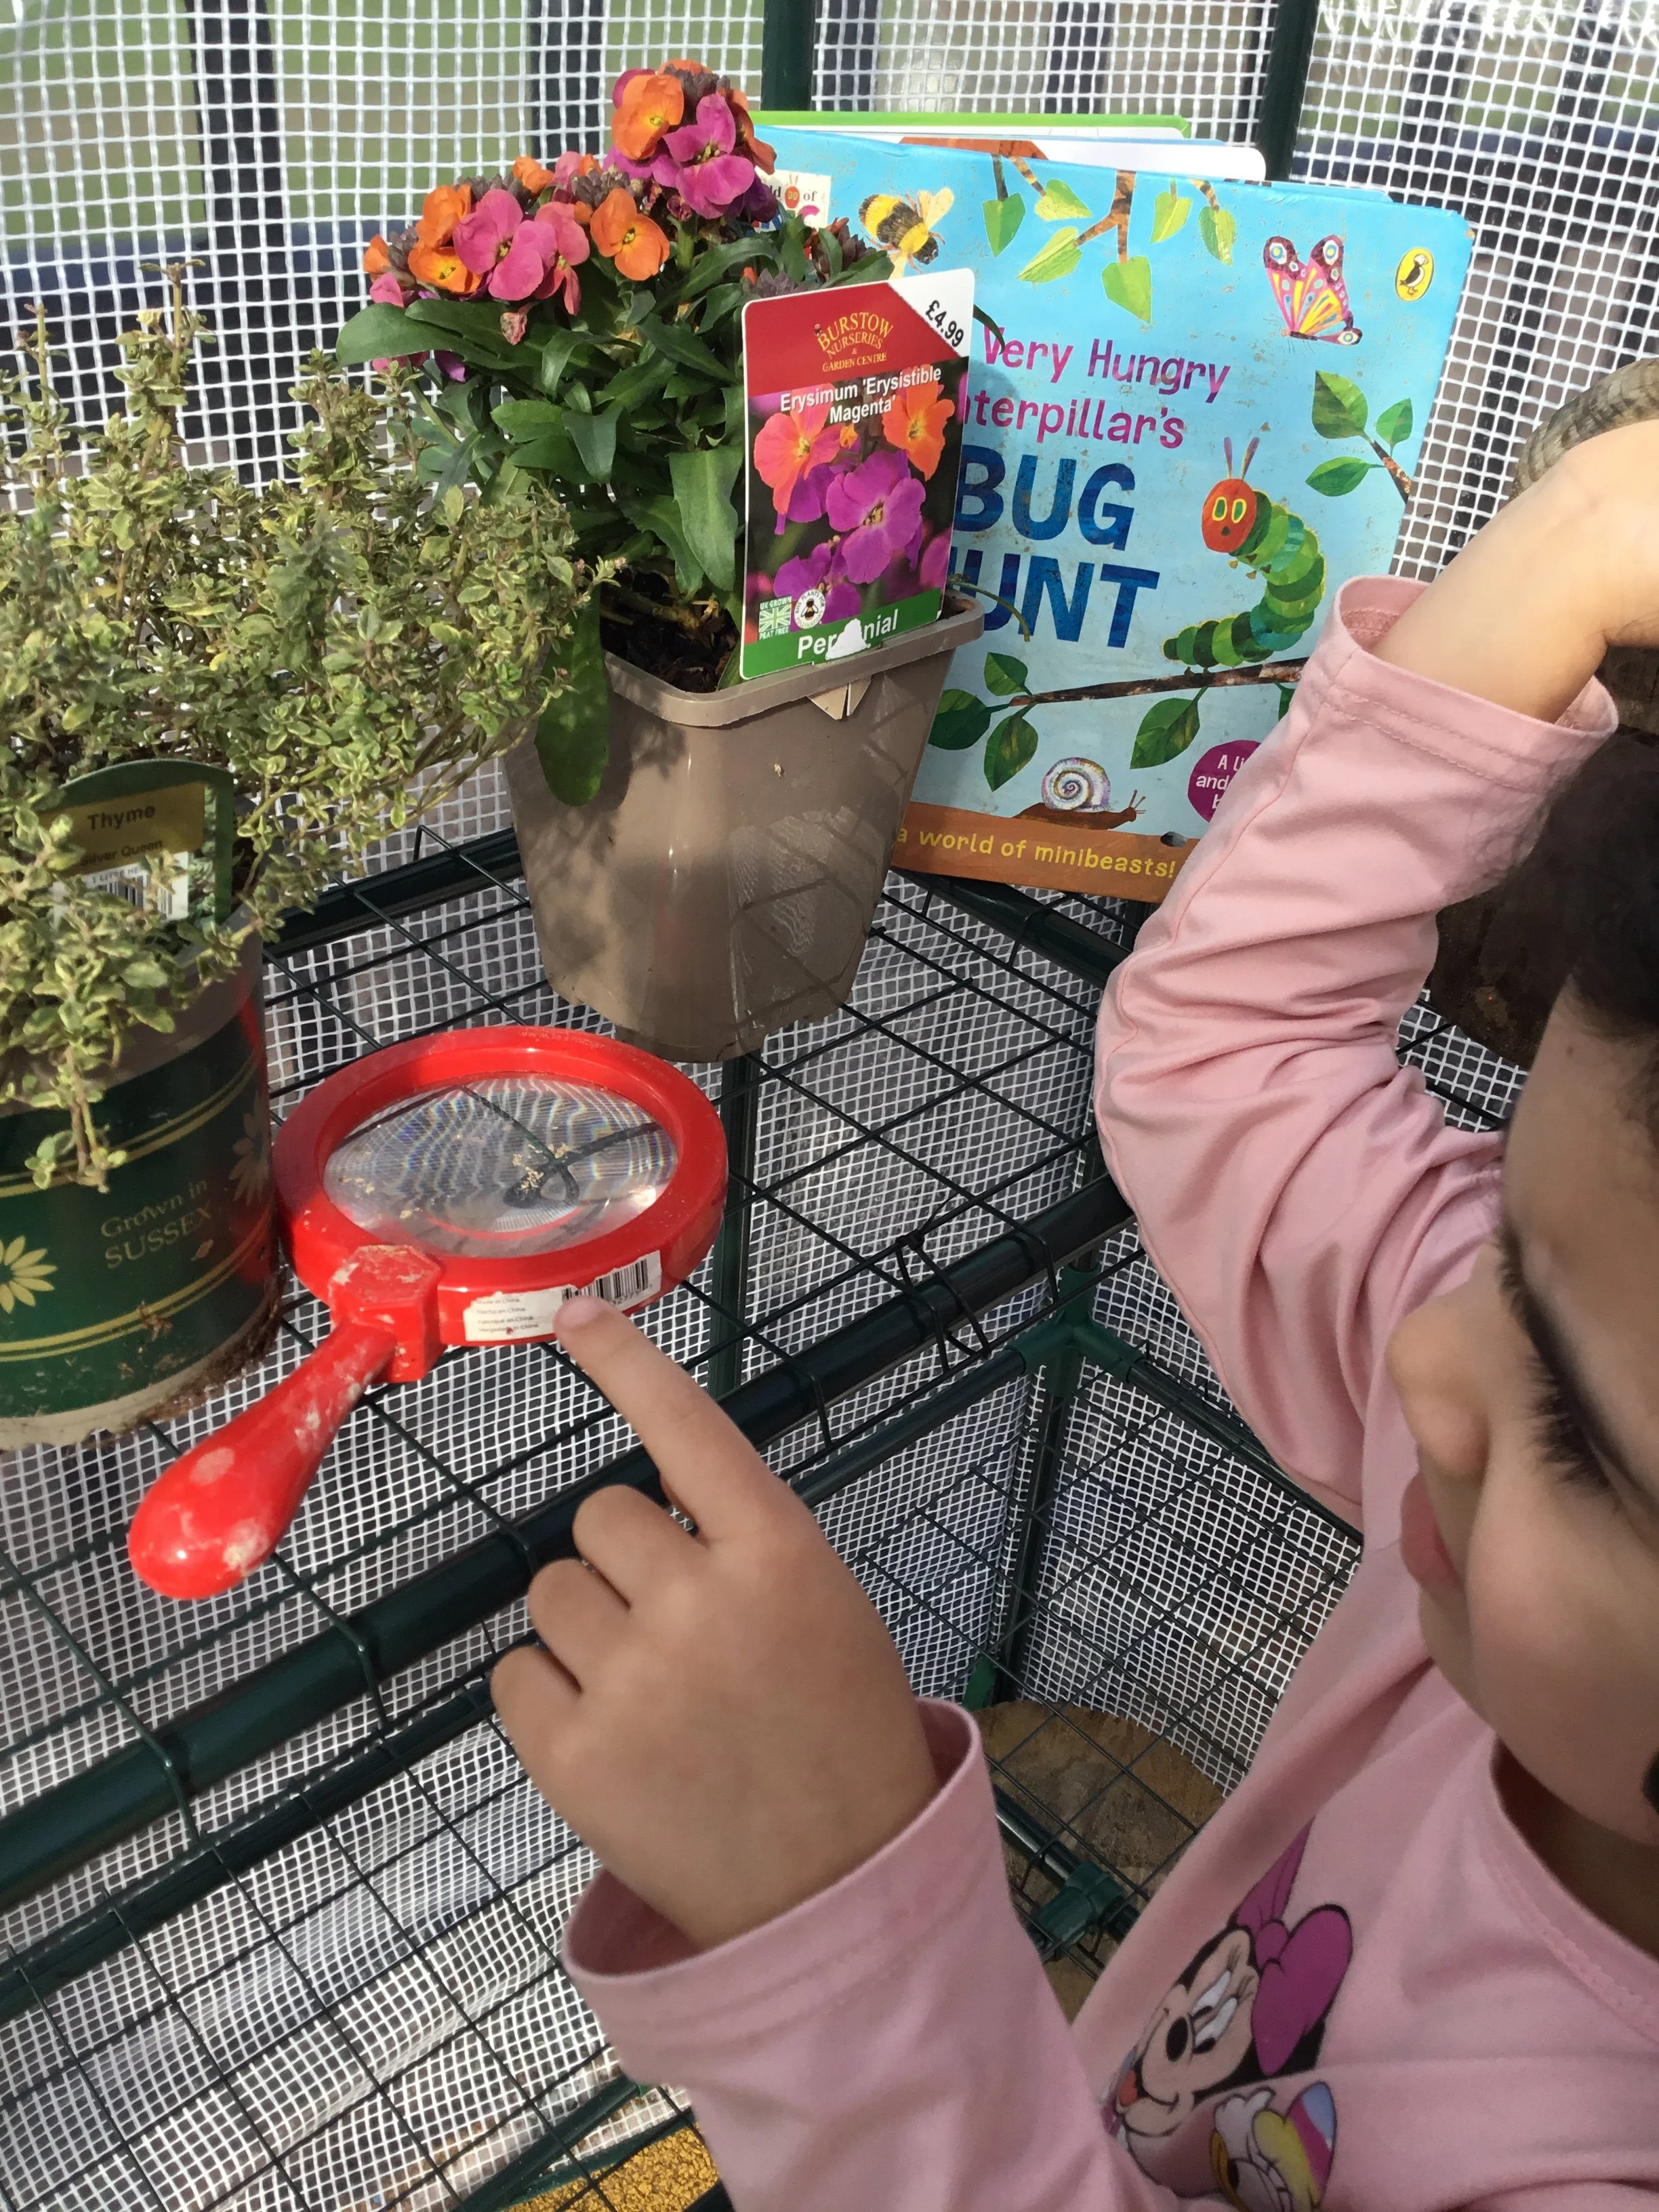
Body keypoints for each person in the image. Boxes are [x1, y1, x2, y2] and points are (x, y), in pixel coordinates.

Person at [492, 422, 1659, 2207]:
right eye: (1503, 1244)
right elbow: (1233, 1055)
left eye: (1583, 1443)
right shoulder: (1531, 1572)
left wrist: (843, 1934)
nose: (1429, 1357)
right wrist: (1576, 538)